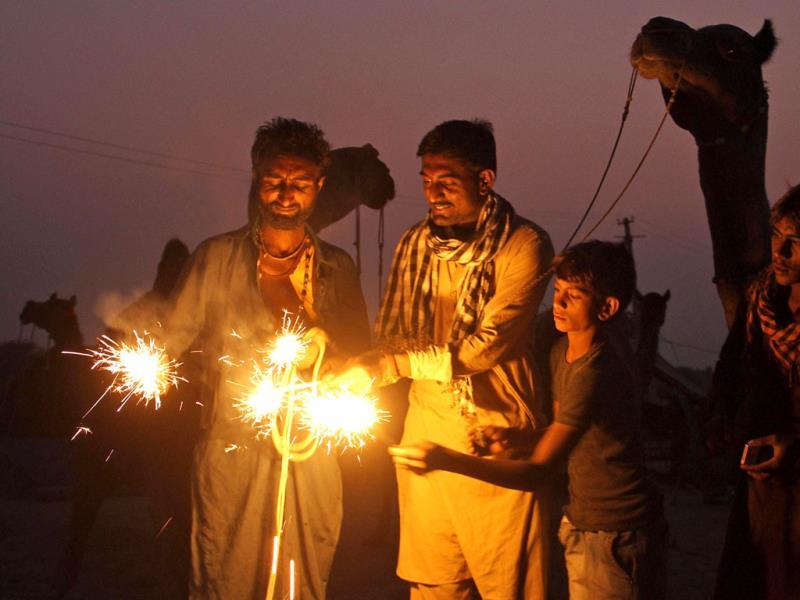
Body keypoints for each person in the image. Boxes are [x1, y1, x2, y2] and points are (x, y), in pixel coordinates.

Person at [337, 119, 554, 599]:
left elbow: (483, 348)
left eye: (446, 181)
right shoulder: (414, 245)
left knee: (511, 586)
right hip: (426, 431)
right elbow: (391, 342)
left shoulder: (525, 245)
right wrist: (351, 374)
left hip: (498, 433)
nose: (433, 192)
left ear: (485, 180)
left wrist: (391, 366)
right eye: (426, 180)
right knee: (433, 584)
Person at [160, 117, 370, 599]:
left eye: (298, 183)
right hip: (232, 452)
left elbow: (362, 358)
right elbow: (169, 343)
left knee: (303, 579)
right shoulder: (214, 259)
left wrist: (331, 352)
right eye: (275, 181)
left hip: (312, 454)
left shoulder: (337, 268)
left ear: (319, 186)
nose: (285, 194)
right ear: (256, 179)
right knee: (226, 577)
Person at [390, 240, 668, 600]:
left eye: (576, 294)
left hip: (619, 532)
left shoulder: (596, 369)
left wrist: (447, 460)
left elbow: (538, 472)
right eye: (558, 289)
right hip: (584, 522)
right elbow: (560, 430)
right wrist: (516, 439)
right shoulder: (561, 350)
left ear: (607, 307)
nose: (559, 301)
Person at [709, 184, 800, 600]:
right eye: (776, 237)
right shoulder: (761, 299)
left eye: (795, 243)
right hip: (763, 484)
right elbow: (731, 371)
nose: (779, 252)